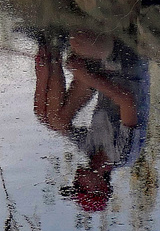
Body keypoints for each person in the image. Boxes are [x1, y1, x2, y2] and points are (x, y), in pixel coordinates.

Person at [32, 30, 149, 214]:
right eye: (80, 187)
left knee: (50, 119)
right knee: (78, 41)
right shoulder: (123, 156)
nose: (75, 181)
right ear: (99, 187)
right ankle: (54, 44)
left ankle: (48, 49)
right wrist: (86, 76)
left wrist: (42, 108)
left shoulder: (90, 151)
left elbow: (60, 126)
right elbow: (127, 101)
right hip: (127, 63)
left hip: (103, 71)